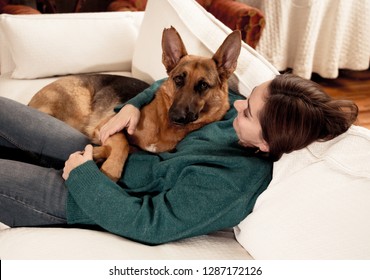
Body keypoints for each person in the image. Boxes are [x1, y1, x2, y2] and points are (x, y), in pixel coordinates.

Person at [0, 73, 358, 245]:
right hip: (103, 152)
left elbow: (150, 225)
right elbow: (175, 81)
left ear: (267, 144)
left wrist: (82, 177)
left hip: (91, 198)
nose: (236, 103)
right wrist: (134, 107)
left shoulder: (231, 182)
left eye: (247, 111)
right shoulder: (236, 126)